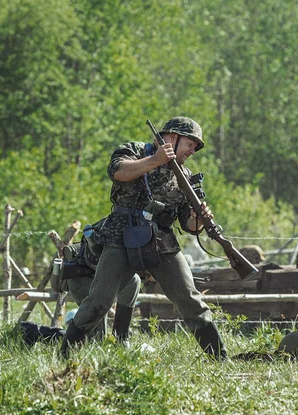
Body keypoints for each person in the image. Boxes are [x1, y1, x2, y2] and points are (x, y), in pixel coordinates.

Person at [60, 116, 228, 360]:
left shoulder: (185, 176)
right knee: (98, 302)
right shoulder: (134, 150)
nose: (193, 150)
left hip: (161, 240)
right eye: (191, 143)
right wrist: (155, 160)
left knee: (190, 299)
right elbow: (117, 172)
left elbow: (188, 224)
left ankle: (219, 358)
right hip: (120, 234)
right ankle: (64, 357)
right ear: (172, 137)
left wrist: (198, 218)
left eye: (195, 147)